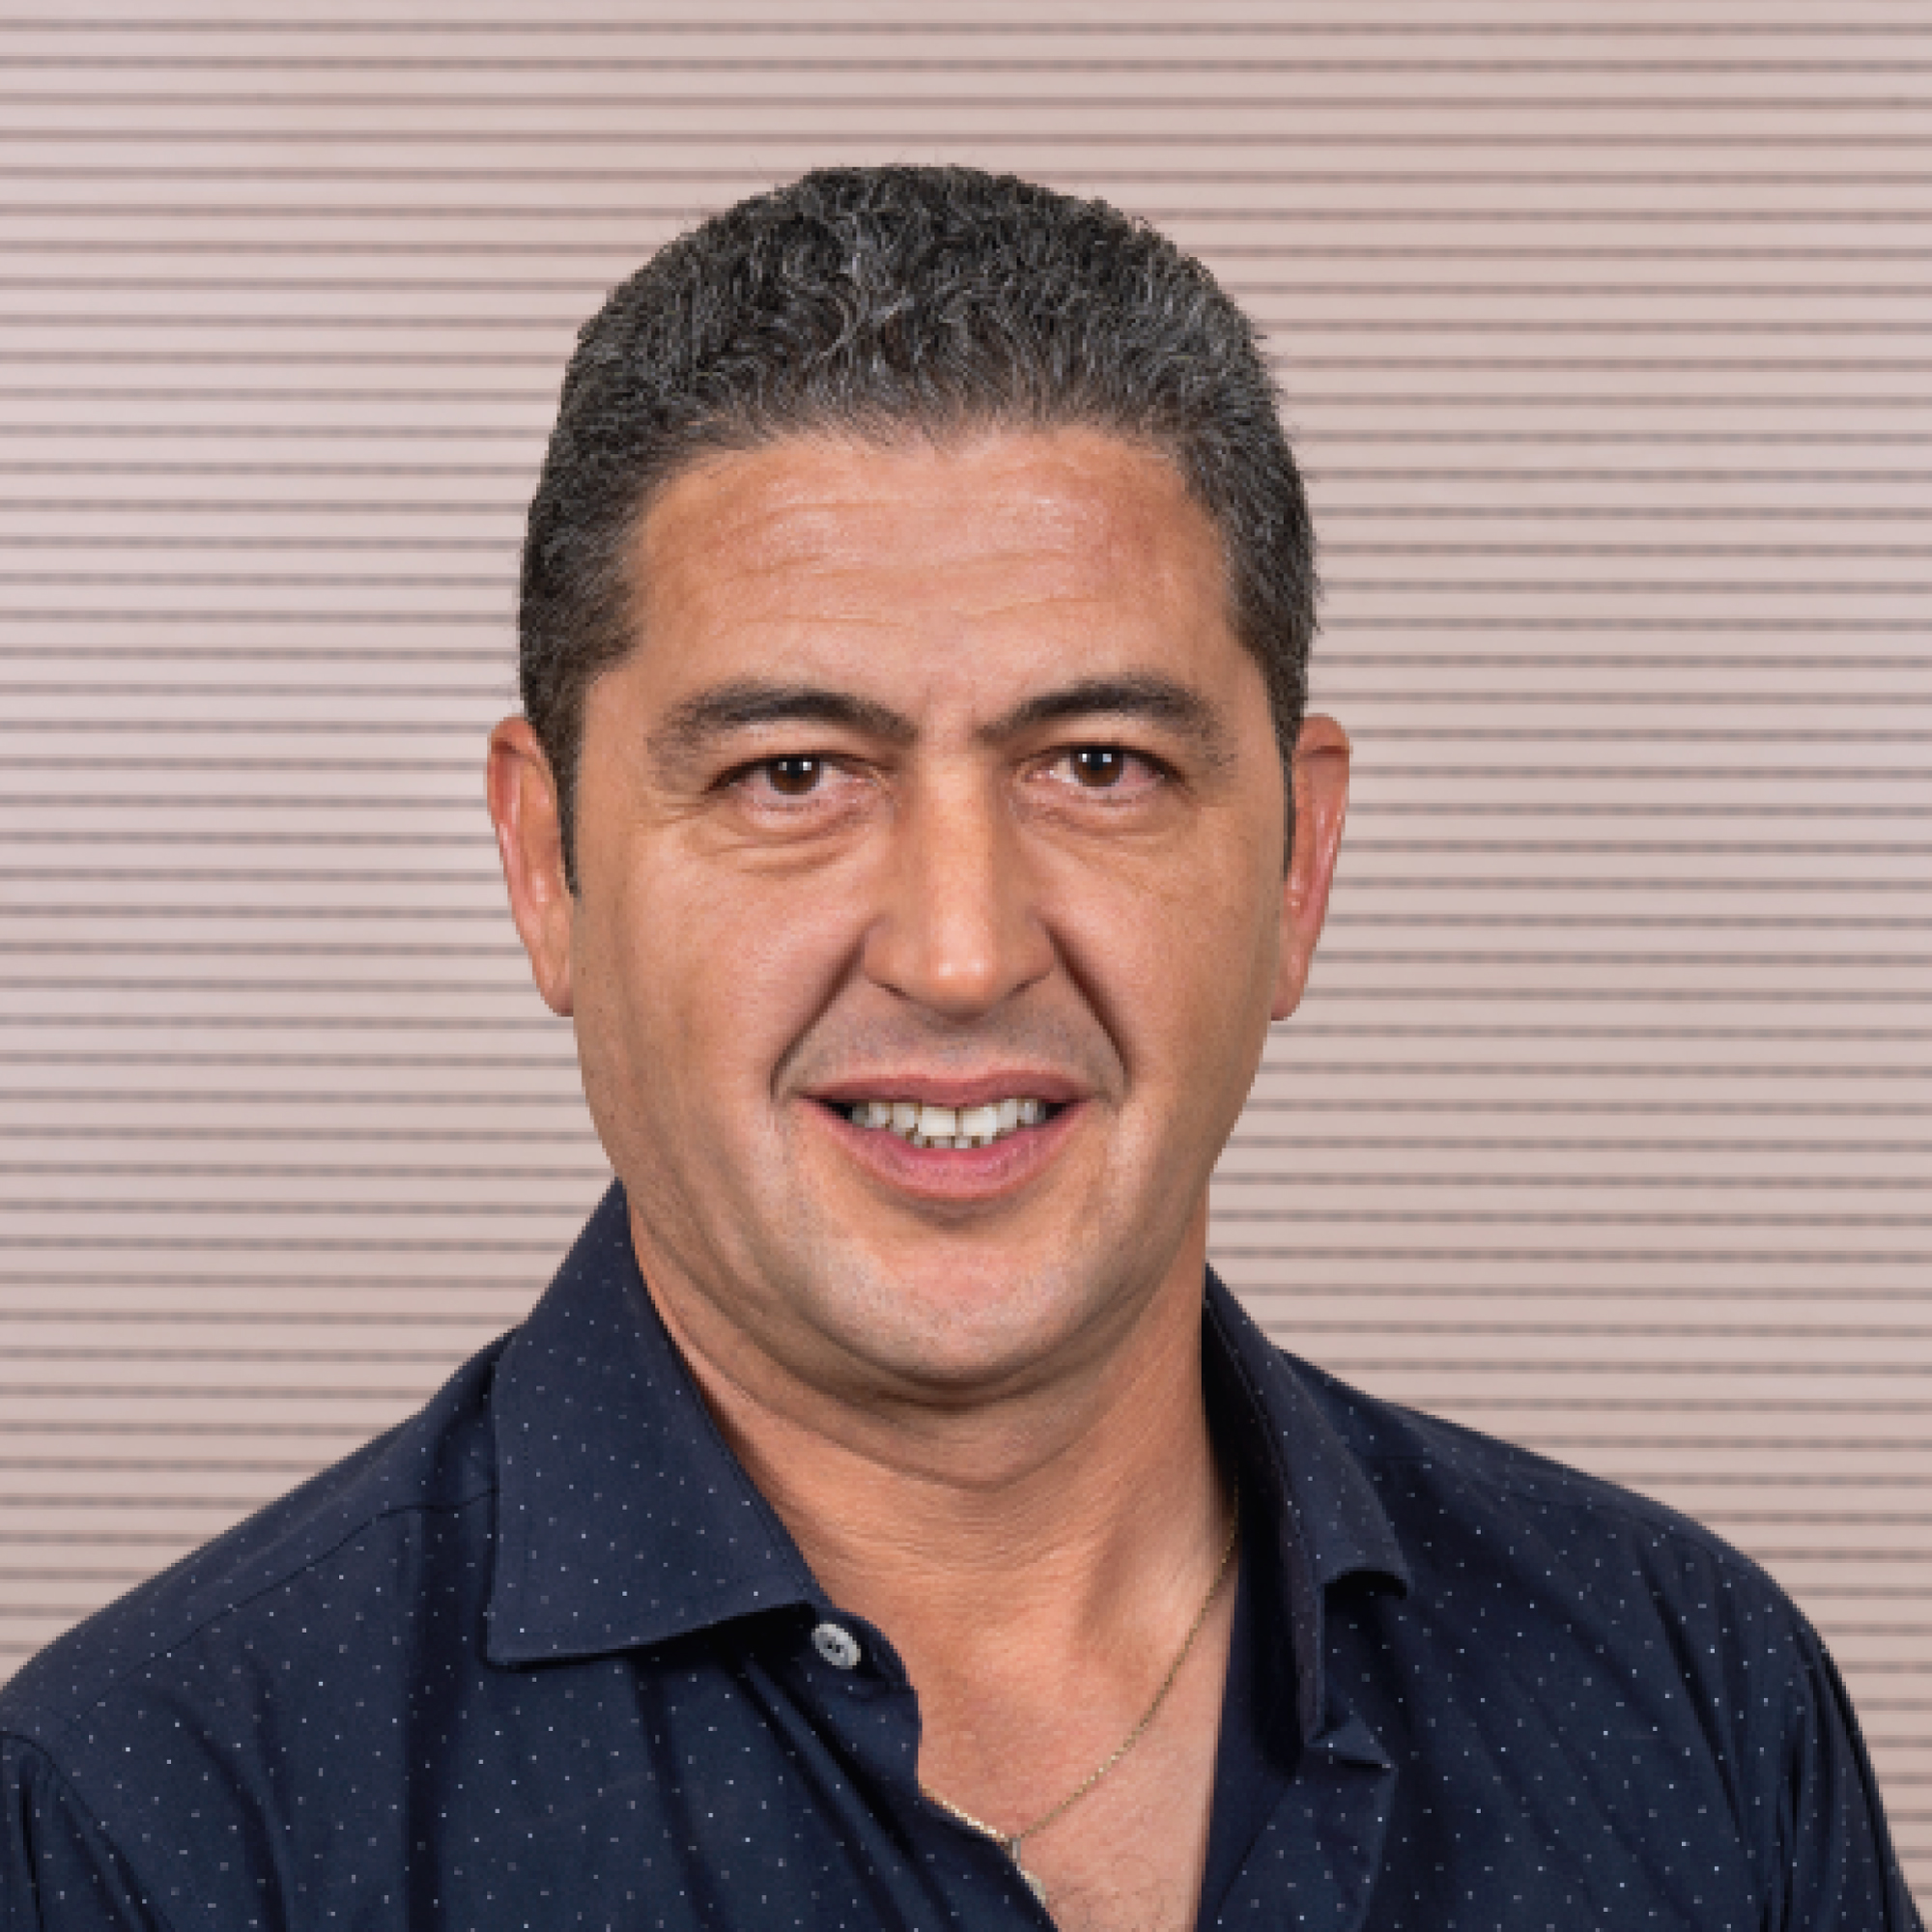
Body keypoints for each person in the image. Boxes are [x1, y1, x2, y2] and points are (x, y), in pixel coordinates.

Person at [0, 165, 1918, 1932]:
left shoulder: (1694, 1705)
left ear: (1298, 861)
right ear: (546, 862)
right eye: (791, 774)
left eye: (1098, 765)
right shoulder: (149, 1829)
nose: (959, 948)